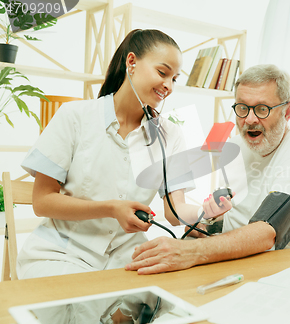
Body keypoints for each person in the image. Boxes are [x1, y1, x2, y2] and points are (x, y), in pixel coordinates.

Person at [17, 29, 231, 279]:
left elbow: (175, 212)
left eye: (174, 79)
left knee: (169, 303)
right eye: (163, 73)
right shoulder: (74, 116)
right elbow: (42, 202)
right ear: (132, 62)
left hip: (126, 256)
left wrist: (205, 212)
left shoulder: (170, 135)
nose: (168, 86)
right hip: (62, 252)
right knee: (83, 307)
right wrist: (111, 208)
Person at [126, 64, 290, 275]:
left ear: (287, 111)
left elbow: (267, 229)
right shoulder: (236, 147)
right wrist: (206, 227)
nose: (250, 119)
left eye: (262, 109)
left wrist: (192, 251)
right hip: (251, 268)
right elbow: (241, 217)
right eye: (242, 108)